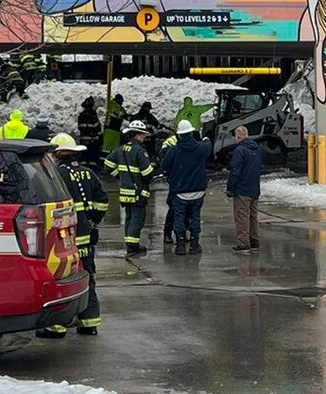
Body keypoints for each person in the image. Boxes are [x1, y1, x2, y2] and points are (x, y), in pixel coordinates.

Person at [47, 133, 106, 336]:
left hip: (65, 241)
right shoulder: (88, 173)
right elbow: (102, 200)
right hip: (87, 239)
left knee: (62, 280)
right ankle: (89, 323)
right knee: (87, 278)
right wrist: (92, 220)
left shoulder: (56, 176)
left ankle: (56, 325)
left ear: (58, 155)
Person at [104, 120, 157, 256]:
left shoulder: (121, 149)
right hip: (137, 193)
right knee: (137, 219)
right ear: (137, 135)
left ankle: (130, 244)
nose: (144, 137)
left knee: (129, 218)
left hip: (125, 192)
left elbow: (108, 164)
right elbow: (147, 174)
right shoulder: (140, 151)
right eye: (143, 134)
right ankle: (133, 247)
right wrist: (154, 166)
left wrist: (120, 177)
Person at [162, 120, 211, 254]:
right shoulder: (201, 148)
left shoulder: (173, 151)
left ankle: (181, 245)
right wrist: (206, 138)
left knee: (179, 217)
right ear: (191, 132)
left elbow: (164, 168)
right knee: (195, 217)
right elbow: (208, 146)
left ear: (179, 135)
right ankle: (195, 244)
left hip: (180, 192)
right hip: (198, 191)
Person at [226, 125, 263, 252]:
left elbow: (235, 171)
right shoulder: (257, 148)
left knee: (242, 216)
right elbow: (260, 168)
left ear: (238, 137)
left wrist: (230, 187)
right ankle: (254, 240)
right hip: (254, 188)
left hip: (242, 189)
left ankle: (243, 243)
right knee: (253, 215)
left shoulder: (240, 151)